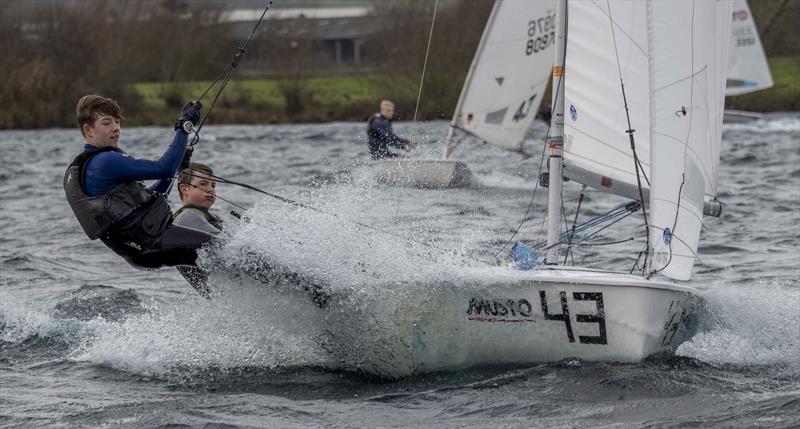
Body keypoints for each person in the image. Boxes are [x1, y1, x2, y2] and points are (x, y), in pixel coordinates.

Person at [64, 94, 213, 273]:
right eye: (107, 123)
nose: (116, 128)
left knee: (206, 264)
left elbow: (155, 196)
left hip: (145, 251)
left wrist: (179, 163)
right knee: (227, 249)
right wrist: (184, 126)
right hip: (156, 241)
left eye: (117, 122)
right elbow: (163, 168)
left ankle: (235, 299)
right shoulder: (105, 162)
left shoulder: (90, 166)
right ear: (88, 130)